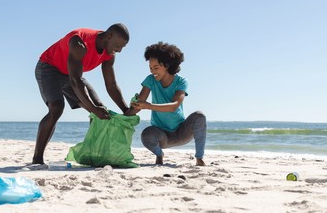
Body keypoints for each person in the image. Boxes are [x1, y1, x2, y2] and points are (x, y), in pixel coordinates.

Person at [30, 23, 131, 169]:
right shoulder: (80, 42)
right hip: (49, 68)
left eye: (123, 47)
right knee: (56, 108)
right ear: (109, 36)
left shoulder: (109, 55)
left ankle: (93, 153)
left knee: (100, 109)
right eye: (118, 45)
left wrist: (125, 110)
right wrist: (93, 109)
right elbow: (75, 81)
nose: (119, 50)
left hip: (72, 74)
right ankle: (37, 158)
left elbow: (111, 84)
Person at [128, 42, 207, 166]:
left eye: (156, 67)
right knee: (147, 134)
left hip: (181, 132)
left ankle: (199, 158)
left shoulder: (181, 82)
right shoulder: (150, 80)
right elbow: (139, 105)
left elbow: (174, 105)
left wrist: (148, 106)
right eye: (150, 67)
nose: (152, 71)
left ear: (167, 65)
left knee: (199, 116)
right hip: (161, 136)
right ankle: (159, 154)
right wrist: (129, 111)